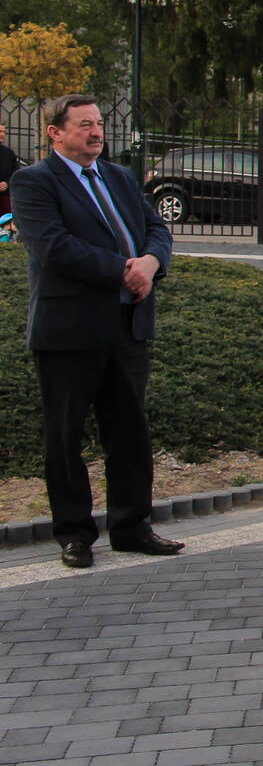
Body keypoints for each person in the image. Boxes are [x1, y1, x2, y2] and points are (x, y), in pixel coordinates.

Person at [13, 93, 181, 569]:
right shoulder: (34, 182)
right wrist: (125, 270)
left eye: (99, 122)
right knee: (65, 436)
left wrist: (151, 263)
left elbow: (156, 228)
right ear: (55, 132)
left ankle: (132, 527)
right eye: (84, 124)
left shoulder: (119, 176)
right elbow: (54, 247)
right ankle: (74, 534)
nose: (96, 131)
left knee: (129, 433)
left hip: (127, 327)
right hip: (69, 331)